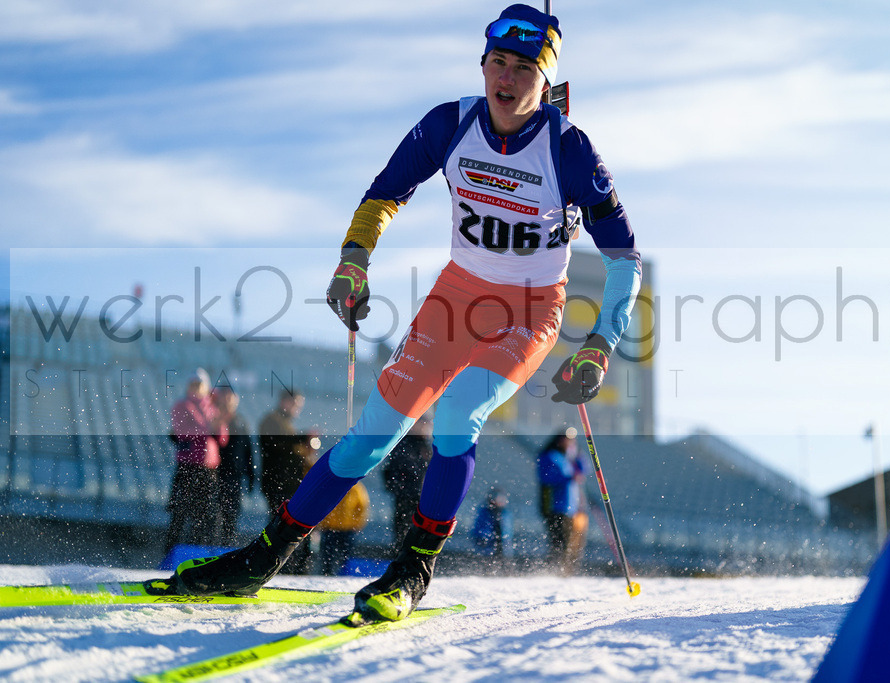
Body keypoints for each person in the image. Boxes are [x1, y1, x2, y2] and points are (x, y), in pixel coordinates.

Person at [169, 4, 641, 621]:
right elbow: (384, 193)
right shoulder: (451, 123)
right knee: (368, 441)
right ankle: (261, 557)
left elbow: (624, 258)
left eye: (524, 67)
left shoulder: (570, 150)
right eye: (498, 61)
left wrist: (599, 345)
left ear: (544, 81)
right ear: (482, 65)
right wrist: (353, 262)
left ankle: (415, 566)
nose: (507, 77)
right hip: (456, 297)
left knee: (456, 414)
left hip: (528, 310)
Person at [165, 368, 228, 553]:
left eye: (199, 384)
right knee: (180, 513)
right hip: (188, 466)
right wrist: (211, 426)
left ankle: (197, 553)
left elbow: (223, 438)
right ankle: (171, 553)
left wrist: (216, 423)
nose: (196, 388)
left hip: (208, 468)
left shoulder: (212, 407)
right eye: (193, 384)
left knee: (204, 515)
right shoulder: (182, 405)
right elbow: (182, 431)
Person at [258, 389, 319, 573]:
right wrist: (303, 439)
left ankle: (293, 568)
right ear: (285, 401)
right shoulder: (271, 420)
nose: (297, 409)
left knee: (292, 529)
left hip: (289, 485)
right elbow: (278, 446)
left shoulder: (286, 424)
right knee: (283, 529)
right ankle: (279, 567)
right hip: (278, 485)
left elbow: (291, 451)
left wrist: (305, 450)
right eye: (295, 404)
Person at [211, 387, 256, 546]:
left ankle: (226, 549)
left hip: (235, 477)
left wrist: (251, 476)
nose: (229, 402)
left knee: (231, 517)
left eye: (232, 398)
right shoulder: (214, 418)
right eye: (226, 397)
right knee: (212, 516)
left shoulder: (241, 421)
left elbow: (248, 450)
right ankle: (207, 549)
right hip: (215, 474)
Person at [537, 431, 585, 574]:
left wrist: (578, 453)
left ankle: (565, 571)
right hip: (554, 506)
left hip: (570, 508)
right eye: (567, 439)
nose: (570, 442)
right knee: (559, 542)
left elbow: (584, 470)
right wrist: (568, 478)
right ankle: (555, 570)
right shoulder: (549, 455)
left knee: (570, 543)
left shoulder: (568, 458)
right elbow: (546, 478)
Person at [381, 413, 433, 548]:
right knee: (404, 534)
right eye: (423, 424)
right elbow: (401, 468)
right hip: (407, 497)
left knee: (419, 535)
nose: (426, 429)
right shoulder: (405, 443)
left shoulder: (425, 446)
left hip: (420, 497)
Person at [318, 481, 370, 576]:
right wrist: (323, 523)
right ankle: (327, 573)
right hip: (330, 528)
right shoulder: (332, 486)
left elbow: (362, 507)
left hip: (347, 529)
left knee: (345, 554)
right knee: (327, 554)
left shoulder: (356, 488)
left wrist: (357, 524)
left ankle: (343, 573)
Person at [471, 486, 512, 562]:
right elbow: (479, 530)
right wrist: (485, 540)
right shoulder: (484, 512)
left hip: (502, 545)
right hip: (486, 545)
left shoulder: (504, 513)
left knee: (503, 561)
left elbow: (507, 530)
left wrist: (505, 540)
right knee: (487, 561)